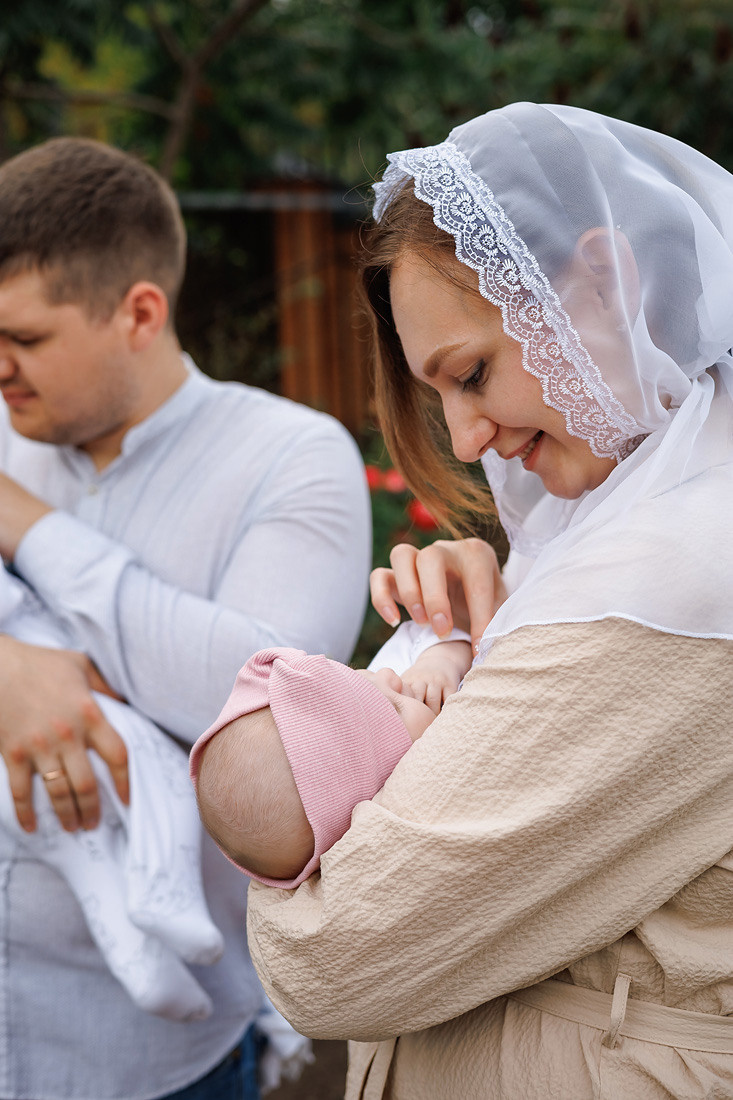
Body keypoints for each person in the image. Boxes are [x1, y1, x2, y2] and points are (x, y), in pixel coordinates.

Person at [241, 103, 733, 1099]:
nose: (464, 440)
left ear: (602, 281)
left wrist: (311, 781)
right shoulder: (622, 522)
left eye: (471, 373)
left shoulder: (677, 569)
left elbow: (333, 954)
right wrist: (468, 635)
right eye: (442, 395)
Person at [0, 136, 371, 1100]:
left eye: (25, 339)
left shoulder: (292, 458)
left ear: (139, 311)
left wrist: (26, 524)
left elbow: (256, 700)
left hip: (156, 1059)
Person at [190, 641, 470, 885]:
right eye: (394, 708)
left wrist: (442, 656)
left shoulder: (411, 674)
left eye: (358, 675)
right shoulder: (440, 799)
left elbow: (432, 632)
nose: (389, 675)